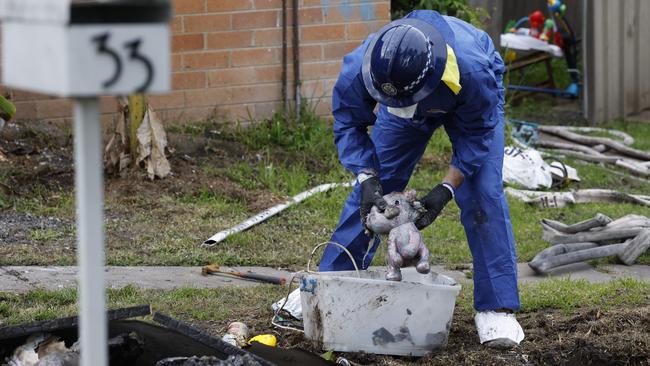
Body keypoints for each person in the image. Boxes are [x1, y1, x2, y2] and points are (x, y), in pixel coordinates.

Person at [319, 10, 524, 348]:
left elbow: (477, 137)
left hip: (463, 100)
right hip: (403, 101)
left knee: (483, 195)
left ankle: (496, 308)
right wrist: (367, 178)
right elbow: (348, 123)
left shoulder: (473, 72)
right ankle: (332, 282)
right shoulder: (364, 66)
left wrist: (445, 190)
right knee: (373, 200)